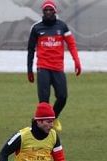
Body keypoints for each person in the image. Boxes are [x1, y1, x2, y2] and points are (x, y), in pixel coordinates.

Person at [27, 0, 82, 132]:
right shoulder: (36, 28)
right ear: (43, 12)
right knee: (44, 101)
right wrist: (29, 69)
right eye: (46, 10)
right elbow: (30, 50)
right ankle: (38, 128)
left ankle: (53, 117)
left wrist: (77, 61)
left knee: (62, 97)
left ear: (55, 11)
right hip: (43, 67)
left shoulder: (62, 26)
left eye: (50, 10)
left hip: (57, 68)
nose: (48, 12)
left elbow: (71, 44)